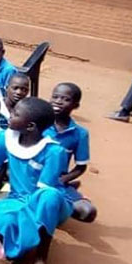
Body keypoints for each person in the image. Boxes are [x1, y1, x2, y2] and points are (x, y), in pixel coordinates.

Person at [0, 97, 72, 264]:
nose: (10, 116)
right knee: (2, 218)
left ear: (30, 126)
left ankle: (40, 258)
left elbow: (43, 192)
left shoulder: (53, 151)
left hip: (46, 204)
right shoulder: (5, 138)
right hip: (16, 199)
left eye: (15, 114)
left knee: (49, 196)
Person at [45, 82, 96, 222]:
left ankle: (68, 191)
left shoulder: (80, 133)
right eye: (55, 97)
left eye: (66, 99)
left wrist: (62, 180)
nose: (58, 102)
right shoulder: (38, 122)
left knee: (88, 212)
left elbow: (81, 167)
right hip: (32, 177)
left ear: (76, 105)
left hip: (57, 182)